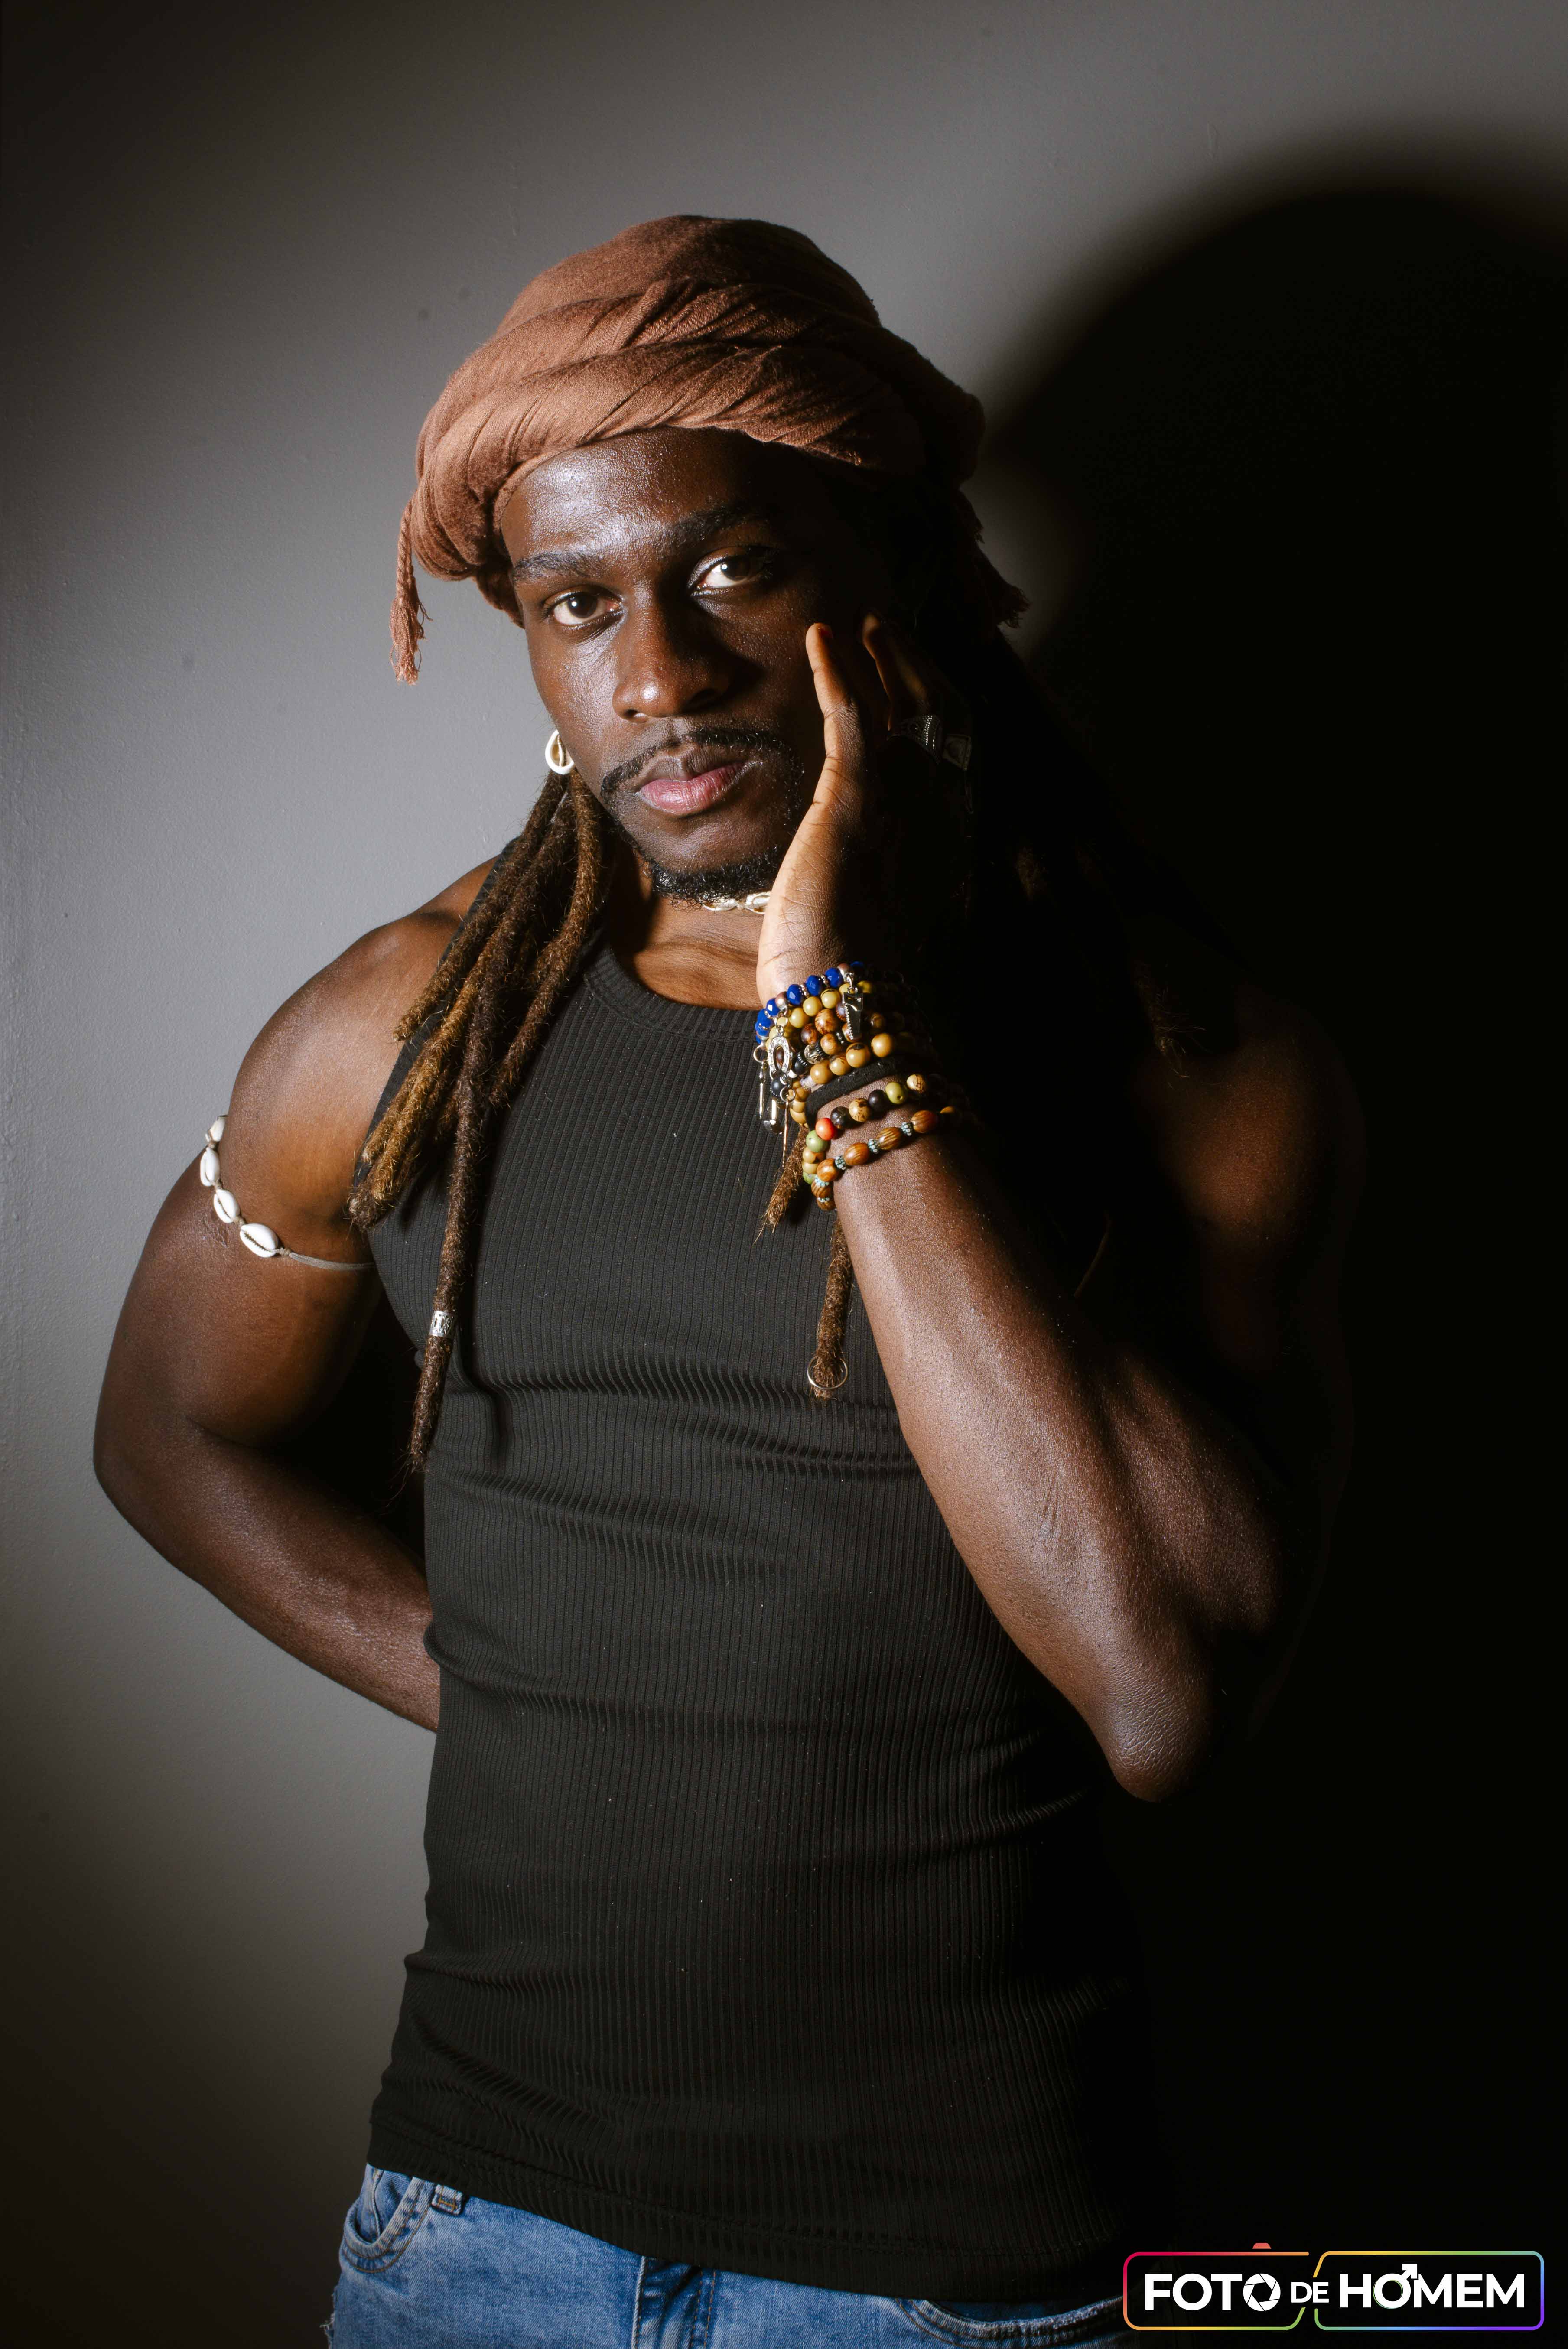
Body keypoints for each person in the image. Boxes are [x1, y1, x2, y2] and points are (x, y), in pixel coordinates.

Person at [94, 216, 1361, 2347]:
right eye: (577, 604)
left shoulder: (1177, 1059)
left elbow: (1164, 1691)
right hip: (474, 2234)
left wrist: (828, 1009)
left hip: (951, 2280)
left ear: (888, 564)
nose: (659, 677)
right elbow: (165, 1431)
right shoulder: (402, 1027)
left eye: (731, 570)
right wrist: (540, 1696)